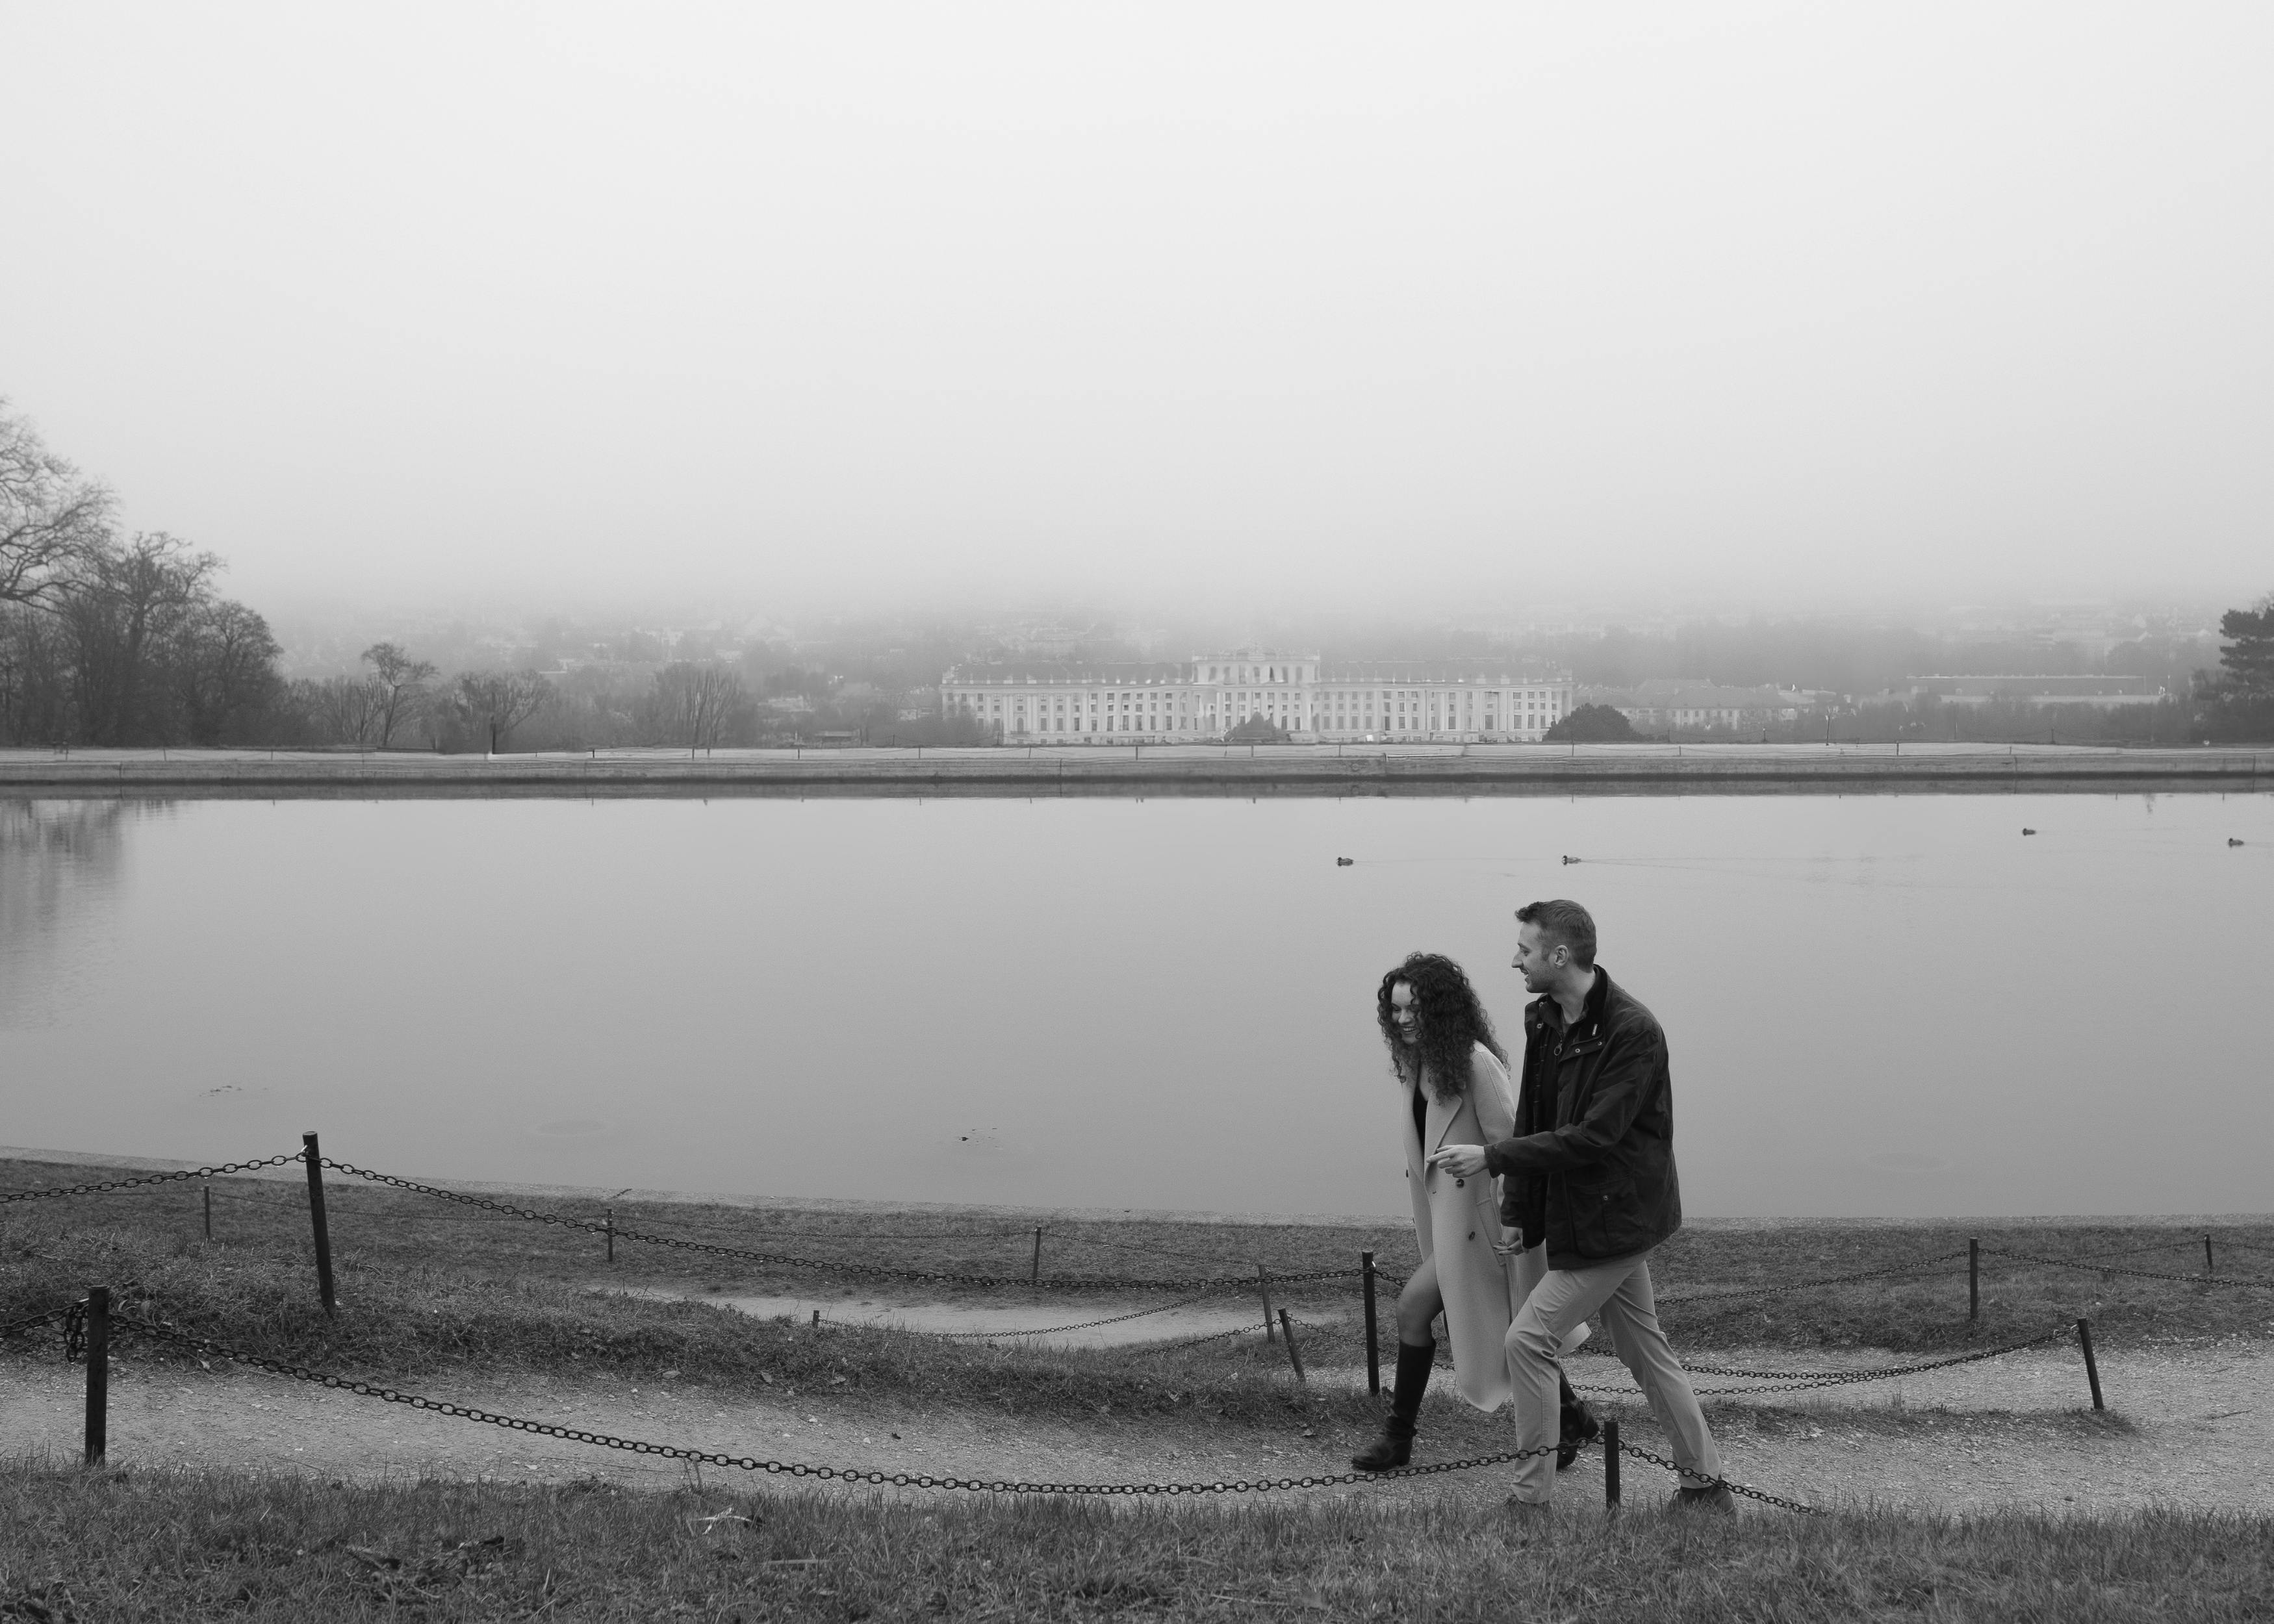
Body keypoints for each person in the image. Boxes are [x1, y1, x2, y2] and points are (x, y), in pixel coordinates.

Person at [1430, 900, 1733, 1514]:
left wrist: (1493, 1158)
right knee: (1645, 1350)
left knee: (1528, 1341)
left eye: (1525, 949)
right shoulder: (1543, 1019)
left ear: (1559, 956)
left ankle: (1528, 1502)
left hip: (1620, 1220)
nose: (1515, 959)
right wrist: (1521, 1214)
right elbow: (1537, 1117)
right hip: (1585, 1214)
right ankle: (1706, 1486)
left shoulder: (1633, 1032)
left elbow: (1597, 1136)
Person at [1351, 952, 1596, 1473]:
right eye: (1394, 1011)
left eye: (1413, 1008)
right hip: (1453, 1226)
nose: (1402, 1020)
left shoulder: (1475, 1062)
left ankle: (1399, 1440)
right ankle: (1572, 1415)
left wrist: (1516, 1218)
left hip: (1486, 1228)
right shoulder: (1417, 1064)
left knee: (1419, 1311)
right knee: (1509, 1324)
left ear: (1441, 1007)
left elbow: (1513, 1144)